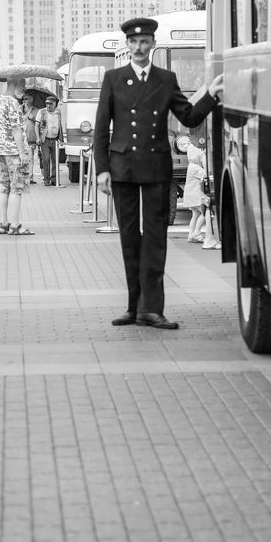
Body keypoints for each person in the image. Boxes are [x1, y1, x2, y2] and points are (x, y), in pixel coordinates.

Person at [94, 17, 224, 329]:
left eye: (144, 42)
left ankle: (151, 309)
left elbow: (189, 116)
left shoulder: (166, 79)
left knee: (155, 238)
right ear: (128, 45)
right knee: (129, 238)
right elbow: (100, 128)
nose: (139, 47)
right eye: (134, 42)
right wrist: (102, 170)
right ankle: (133, 308)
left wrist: (210, 94)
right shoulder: (114, 78)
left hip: (155, 166)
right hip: (123, 167)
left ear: (152, 44)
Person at [0, 76, 34, 235]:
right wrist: (22, 152)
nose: (24, 90)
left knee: (4, 187)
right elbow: (16, 129)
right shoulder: (12, 103)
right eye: (23, 85)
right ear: (15, 84)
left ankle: (4, 223)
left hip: (1, 150)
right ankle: (15, 226)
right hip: (14, 152)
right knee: (17, 188)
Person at [182, 136, 207, 243]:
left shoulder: (190, 166)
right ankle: (197, 232)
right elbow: (205, 175)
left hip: (191, 197)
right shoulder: (196, 168)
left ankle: (190, 234)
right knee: (205, 213)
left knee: (195, 215)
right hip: (196, 197)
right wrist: (205, 159)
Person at [37, 93, 63, 185]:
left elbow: (60, 125)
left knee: (55, 160)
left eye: (50, 103)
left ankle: (54, 179)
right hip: (45, 140)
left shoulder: (58, 112)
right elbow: (36, 125)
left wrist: (61, 138)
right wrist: (38, 137)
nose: (48, 105)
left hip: (55, 139)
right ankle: (46, 179)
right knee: (46, 159)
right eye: (47, 103)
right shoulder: (42, 112)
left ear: (55, 104)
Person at [22, 91, 40, 184]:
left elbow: (40, 122)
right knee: (22, 158)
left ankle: (30, 177)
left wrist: (32, 118)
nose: (24, 101)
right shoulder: (20, 109)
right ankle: (23, 176)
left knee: (31, 158)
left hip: (31, 137)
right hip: (21, 139)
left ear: (31, 99)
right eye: (23, 99)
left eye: (26, 99)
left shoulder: (37, 110)